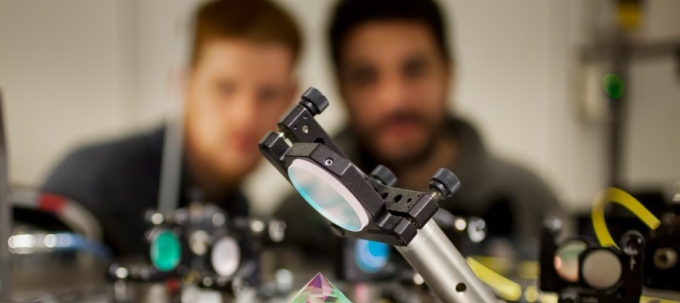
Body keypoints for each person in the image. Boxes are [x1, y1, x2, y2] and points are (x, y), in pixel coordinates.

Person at [275, 0, 560, 254]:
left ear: (448, 73)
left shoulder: (529, 202)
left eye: (414, 70)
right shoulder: (297, 215)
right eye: (366, 77)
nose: (393, 100)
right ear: (341, 90)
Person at [43, 0, 301, 257]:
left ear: (291, 98)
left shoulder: (237, 207)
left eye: (268, 94)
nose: (245, 116)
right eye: (225, 88)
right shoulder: (96, 187)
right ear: (182, 85)